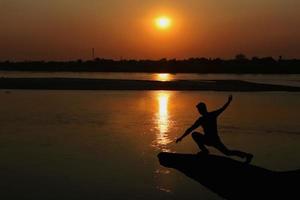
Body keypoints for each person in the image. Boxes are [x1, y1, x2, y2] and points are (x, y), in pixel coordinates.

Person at [176, 95, 253, 164]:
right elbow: (191, 129)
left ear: (202, 109)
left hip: (214, 140)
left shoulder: (205, 118)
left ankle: (247, 155)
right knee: (195, 134)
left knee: (228, 152)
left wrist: (181, 137)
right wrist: (181, 137)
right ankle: (205, 151)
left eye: (199, 109)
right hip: (210, 139)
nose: (198, 111)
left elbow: (191, 129)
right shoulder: (210, 116)